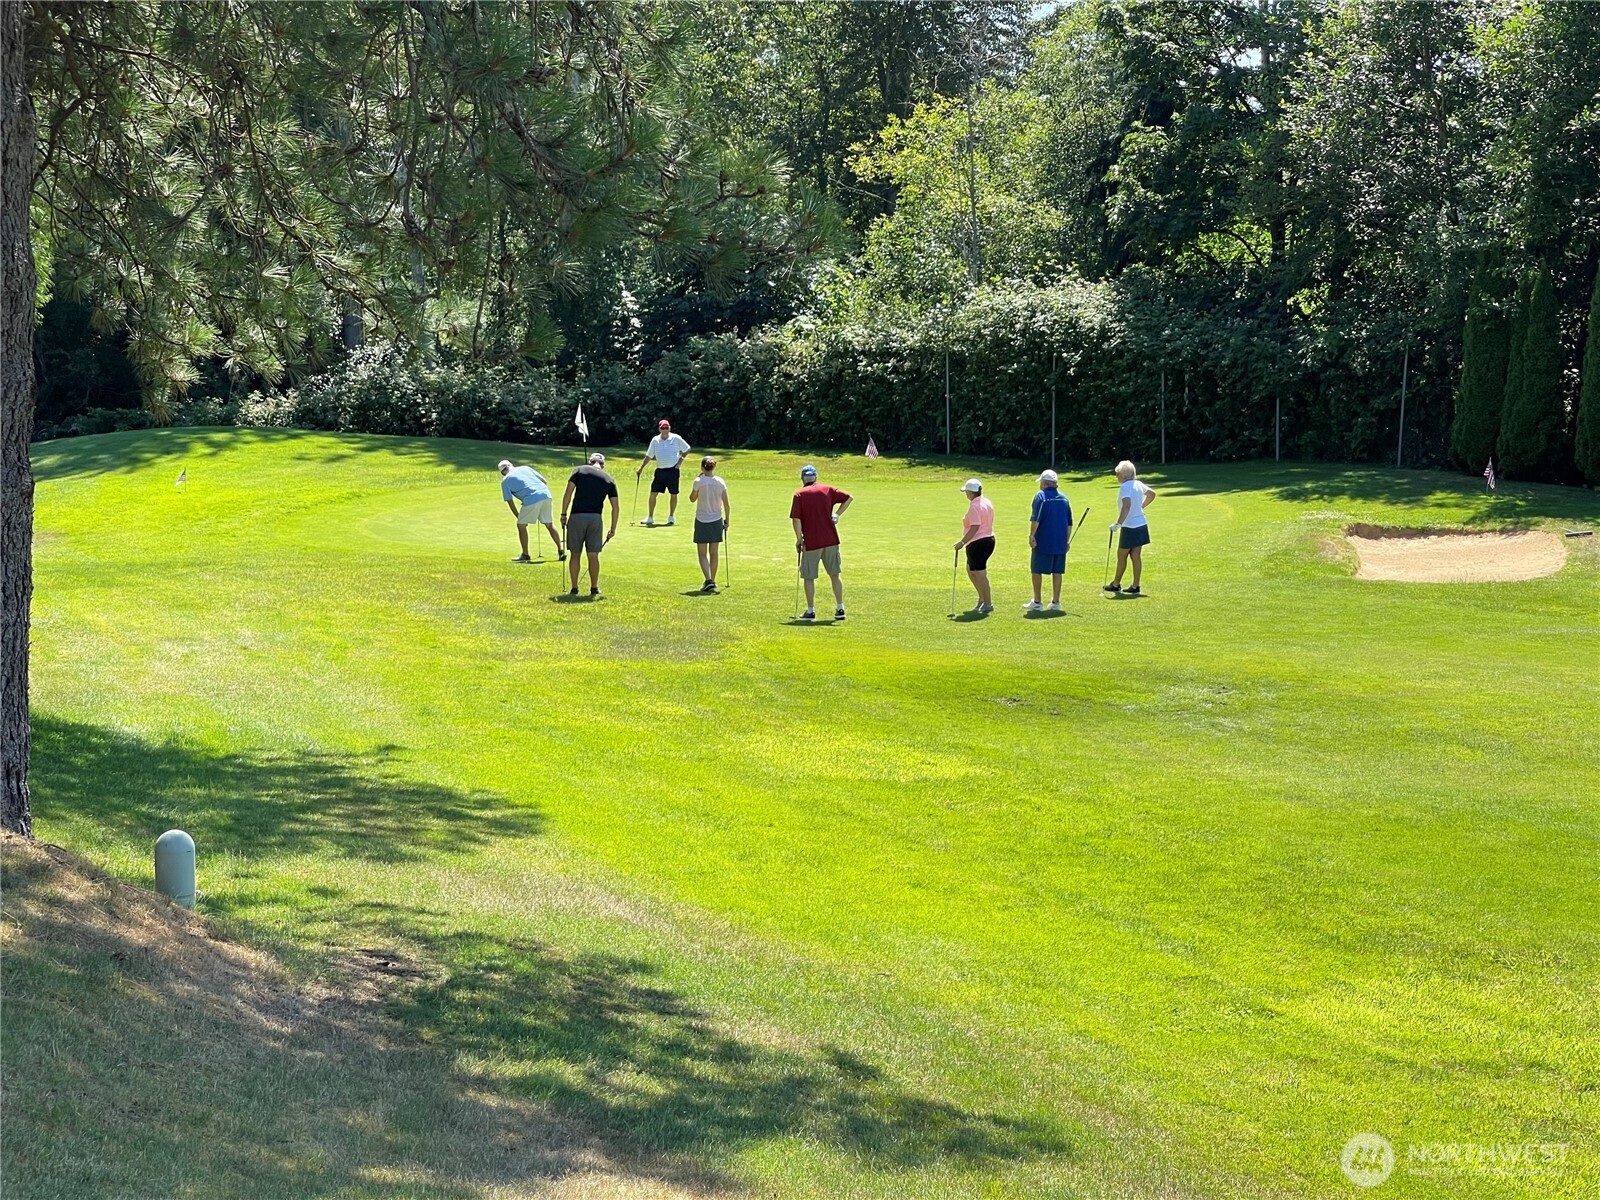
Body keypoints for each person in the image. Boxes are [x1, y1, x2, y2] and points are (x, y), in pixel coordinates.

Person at [789, 464, 851, 621]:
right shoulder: (828, 489)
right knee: (835, 575)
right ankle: (840, 608)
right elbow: (848, 498)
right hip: (831, 539)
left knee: (809, 577)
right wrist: (837, 514)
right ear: (815, 477)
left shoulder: (799, 494)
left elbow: (796, 520)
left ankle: (810, 611)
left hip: (812, 542)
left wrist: (799, 539)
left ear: (803, 478)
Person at [561, 452, 620, 598]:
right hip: (595, 519)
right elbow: (615, 507)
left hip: (576, 517)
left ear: (590, 462)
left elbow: (568, 493)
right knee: (593, 556)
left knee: (575, 554)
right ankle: (594, 588)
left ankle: (574, 588)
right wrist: (613, 528)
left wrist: (563, 514)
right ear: (603, 464)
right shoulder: (609, 479)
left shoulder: (579, 471)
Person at [1105, 460, 1156, 596]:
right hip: (1141, 524)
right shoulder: (1138, 484)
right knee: (1135, 555)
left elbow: (1126, 506)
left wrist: (1118, 524)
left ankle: (1116, 584)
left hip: (1130, 526)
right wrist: (1140, 507)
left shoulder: (1125, 487)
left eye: (1118, 474)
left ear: (1123, 474)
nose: (1116, 476)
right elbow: (1151, 494)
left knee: (1122, 555)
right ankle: (1135, 585)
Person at [497, 459, 564, 563]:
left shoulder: (505, 481)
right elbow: (544, 481)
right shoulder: (525, 468)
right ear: (511, 465)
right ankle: (561, 551)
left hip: (531, 499)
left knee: (521, 525)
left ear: (502, 472)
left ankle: (525, 554)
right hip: (546, 495)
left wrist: (518, 517)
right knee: (549, 524)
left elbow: (510, 501)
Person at [1025, 468, 1073, 612]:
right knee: (1057, 571)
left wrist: (1032, 536)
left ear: (1045, 484)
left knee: (1036, 570)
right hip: (1060, 541)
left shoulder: (1041, 497)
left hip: (1043, 540)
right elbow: (1069, 523)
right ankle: (1056, 602)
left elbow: (1036, 519)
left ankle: (1038, 602)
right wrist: (1066, 541)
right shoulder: (1064, 499)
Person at [637, 419, 691, 526]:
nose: (665, 430)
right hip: (660, 471)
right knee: (653, 493)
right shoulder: (655, 440)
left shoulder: (676, 438)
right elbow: (649, 456)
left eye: (667, 428)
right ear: (659, 429)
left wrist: (680, 461)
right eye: (663, 428)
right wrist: (641, 468)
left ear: (669, 428)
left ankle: (671, 517)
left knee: (673, 494)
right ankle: (650, 517)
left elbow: (687, 448)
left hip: (673, 471)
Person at [689, 456, 730, 592]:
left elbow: (692, 499)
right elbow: (726, 504)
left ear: (702, 468)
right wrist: (727, 521)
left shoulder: (698, 481)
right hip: (716, 519)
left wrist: (698, 483)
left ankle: (708, 580)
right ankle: (713, 579)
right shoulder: (720, 482)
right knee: (714, 553)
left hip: (702, 519)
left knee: (702, 553)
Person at [954, 478, 995, 614]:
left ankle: (987, 603)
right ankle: (982, 598)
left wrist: (962, 542)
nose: (966, 494)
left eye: (967, 492)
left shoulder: (974, 506)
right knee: (971, 570)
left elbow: (975, 527)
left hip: (979, 543)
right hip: (987, 540)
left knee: (979, 573)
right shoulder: (986, 502)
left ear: (971, 493)